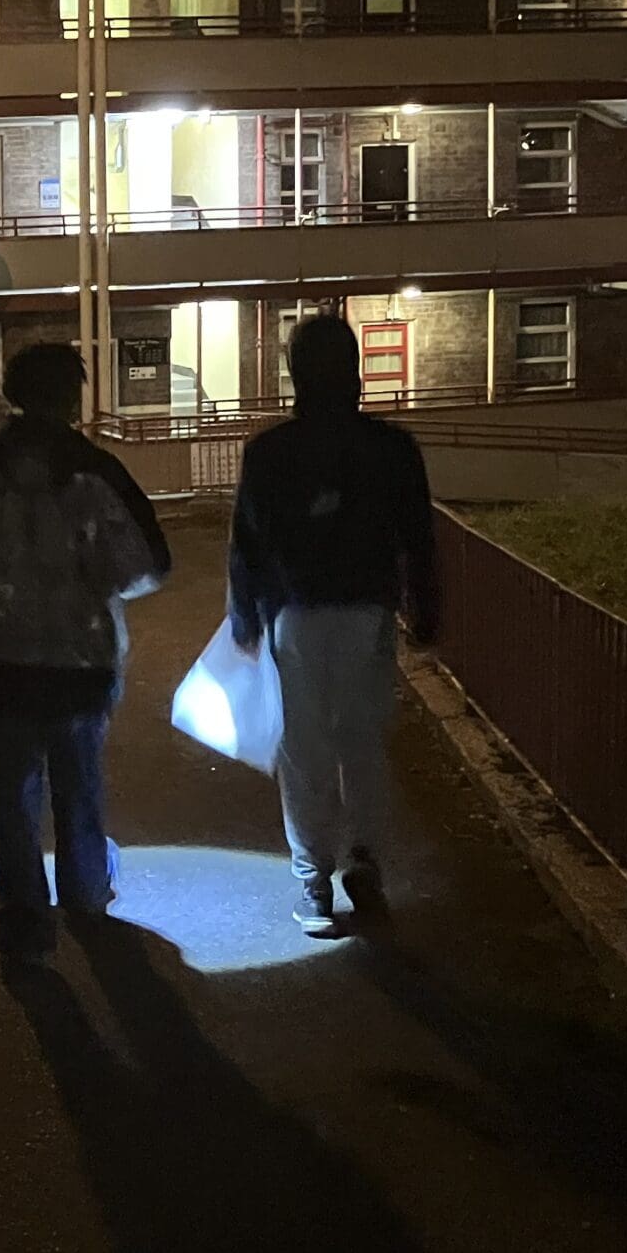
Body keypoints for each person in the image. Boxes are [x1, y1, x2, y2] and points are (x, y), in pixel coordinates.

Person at [0, 343, 171, 966]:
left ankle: (21, 910)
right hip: (80, 660)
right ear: (73, 396)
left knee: (12, 789)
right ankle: (85, 894)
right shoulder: (95, 469)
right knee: (78, 782)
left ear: (12, 391)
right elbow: (147, 563)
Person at [227, 313, 440, 936]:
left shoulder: (270, 452)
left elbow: (248, 543)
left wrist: (244, 615)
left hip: (293, 615)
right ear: (355, 372)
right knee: (362, 743)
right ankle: (365, 859)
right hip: (368, 611)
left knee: (304, 750)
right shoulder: (392, 449)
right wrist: (427, 608)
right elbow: (418, 537)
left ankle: (314, 879)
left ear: (294, 375)